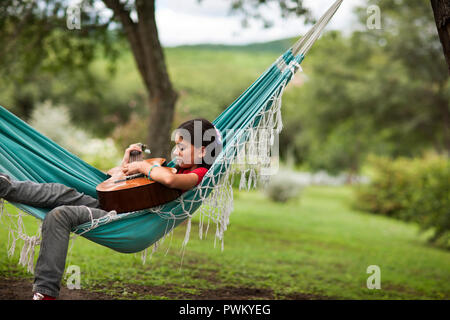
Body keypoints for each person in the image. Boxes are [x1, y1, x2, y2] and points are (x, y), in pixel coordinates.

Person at [0, 118, 221, 300]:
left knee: (59, 215)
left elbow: (169, 182)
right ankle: (6, 186)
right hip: (115, 206)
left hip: (126, 221)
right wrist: (128, 164)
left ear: (202, 151)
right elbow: (116, 179)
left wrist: (144, 166)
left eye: (182, 147)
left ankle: (45, 293)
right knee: (60, 191)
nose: (176, 152)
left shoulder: (197, 174)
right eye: (176, 146)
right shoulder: (171, 168)